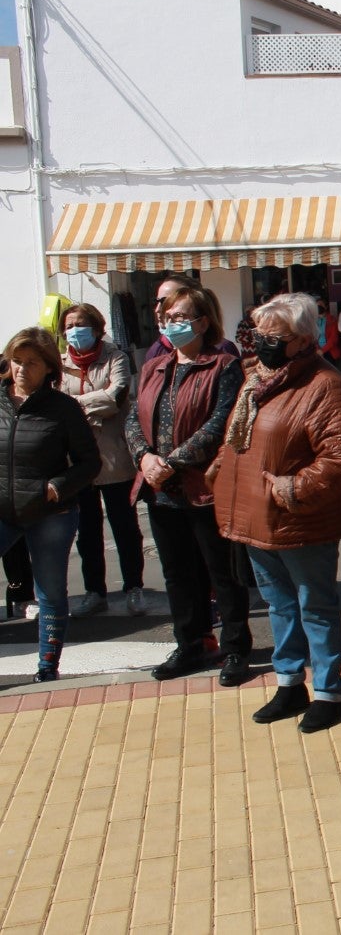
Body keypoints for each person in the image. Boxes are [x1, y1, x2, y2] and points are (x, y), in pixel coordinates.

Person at [212, 294, 341, 733]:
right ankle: (290, 683)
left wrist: (292, 488)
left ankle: (329, 691)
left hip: (301, 518)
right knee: (279, 606)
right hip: (257, 516)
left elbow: (340, 457)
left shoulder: (325, 385)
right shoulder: (255, 379)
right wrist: (220, 474)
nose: (262, 343)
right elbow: (236, 440)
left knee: (316, 606)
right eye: (259, 334)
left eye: (273, 337)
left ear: (302, 339)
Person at [126, 284, 253, 686]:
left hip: (203, 486)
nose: (171, 323)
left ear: (202, 322)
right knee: (178, 573)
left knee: (222, 572)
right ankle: (192, 642)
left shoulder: (223, 365)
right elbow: (133, 417)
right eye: (168, 317)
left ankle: (235, 648)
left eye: (181, 316)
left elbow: (220, 422)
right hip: (160, 489)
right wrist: (145, 458)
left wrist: (172, 462)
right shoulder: (154, 366)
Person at [0, 328, 101, 681]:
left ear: (48, 368)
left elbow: (90, 463)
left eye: (31, 362)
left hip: (49, 513)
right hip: (3, 510)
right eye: (16, 361)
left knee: (51, 589)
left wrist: (57, 488)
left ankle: (47, 665)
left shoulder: (63, 408)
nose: (21, 369)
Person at [59, 304, 147, 619]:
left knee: (125, 526)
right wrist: (88, 407)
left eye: (81, 323)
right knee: (87, 531)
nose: (75, 330)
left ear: (96, 327)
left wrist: (72, 406)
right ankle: (94, 591)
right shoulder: (60, 364)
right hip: (78, 461)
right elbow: (55, 406)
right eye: (69, 325)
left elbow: (116, 397)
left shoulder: (116, 357)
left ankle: (134, 587)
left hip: (114, 457)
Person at [143, 274, 240, 361]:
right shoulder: (155, 352)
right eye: (156, 301)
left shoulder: (223, 352)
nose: (158, 309)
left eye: (166, 301)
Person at [314, 297, 341, 365]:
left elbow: (334, 338)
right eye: (317, 306)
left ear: (326, 306)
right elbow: (313, 337)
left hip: (330, 351)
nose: (319, 307)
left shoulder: (332, 320)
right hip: (317, 351)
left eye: (321, 305)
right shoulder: (314, 321)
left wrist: (322, 351)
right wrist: (318, 349)